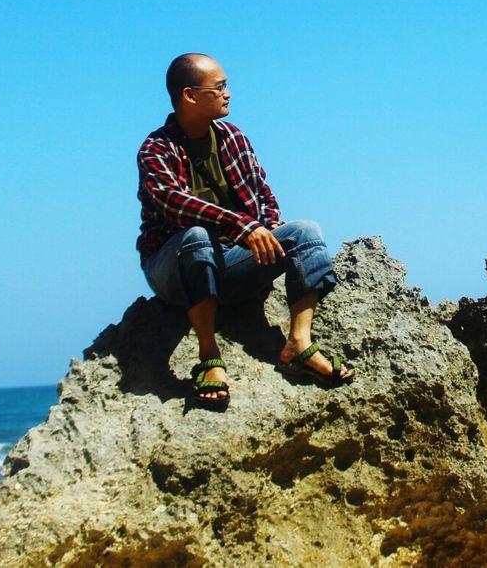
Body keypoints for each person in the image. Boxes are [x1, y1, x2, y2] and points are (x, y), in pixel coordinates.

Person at [136, 53, 353, 407]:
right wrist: (242, 226)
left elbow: (264, 196)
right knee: (196, 237)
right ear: (190, 95)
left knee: (305, 231)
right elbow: (174, 204)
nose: (228, 93)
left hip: (232, 265)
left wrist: (266, 230)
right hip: (173, 271)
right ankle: (209, 356)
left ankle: (298, 343)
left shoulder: (233, 138)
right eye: (219, 87)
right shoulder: (156, 149)